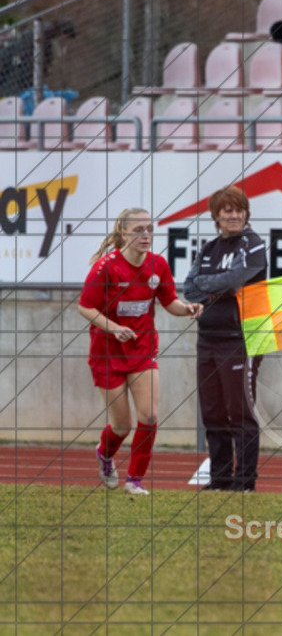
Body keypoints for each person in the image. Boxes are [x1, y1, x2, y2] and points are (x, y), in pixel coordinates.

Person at [79, 208, 202, 495]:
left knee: (148, 415)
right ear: (123, 233)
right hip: (107, 354)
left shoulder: (158, 265)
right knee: (122, 425)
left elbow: (170, 301)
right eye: (138, 230)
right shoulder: (106, 267)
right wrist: (113, 328)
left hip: (142, 350)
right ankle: (105, 454)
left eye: (149, 229)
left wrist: (188, 309)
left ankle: (135, 480)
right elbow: (85, 306)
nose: (146, 236)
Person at [183, 185, 267, 492]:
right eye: (227, 211)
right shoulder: (208, 249)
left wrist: (210, 285)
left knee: (240, 411)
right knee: (213, 411)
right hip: (207, 338)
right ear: (216, 216)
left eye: (238, 210)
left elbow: (235, 280)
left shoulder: (253, 243)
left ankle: (244, 481)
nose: (234, 216)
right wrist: (214, 286)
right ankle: (220, 478)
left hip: (242, 339)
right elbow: (189, 289)